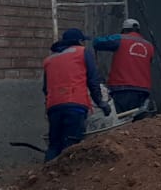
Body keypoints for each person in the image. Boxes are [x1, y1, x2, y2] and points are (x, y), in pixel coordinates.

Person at [42, 28, 111, 161]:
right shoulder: (82, 52)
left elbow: (45, 89)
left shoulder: (49, 60)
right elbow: (93, 81)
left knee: (54, 145)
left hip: (54, 108)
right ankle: (69, 180)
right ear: (79, 41)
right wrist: (101, 103)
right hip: (75, 105)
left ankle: (46, 178)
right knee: (71, 147)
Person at [93, 17, 155, 113]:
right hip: (143, 90)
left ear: (124, 30)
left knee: (122, 118)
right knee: (137, 119)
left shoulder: (121, 39)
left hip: (122, 87)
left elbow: (98, 42)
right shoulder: (149, 46)